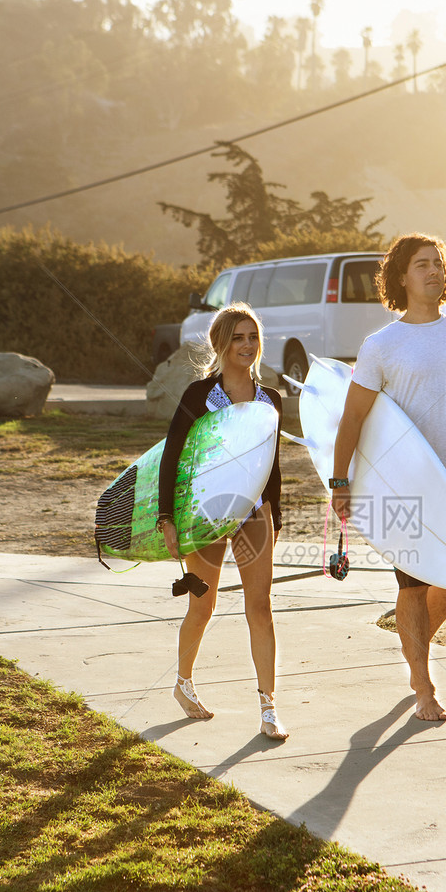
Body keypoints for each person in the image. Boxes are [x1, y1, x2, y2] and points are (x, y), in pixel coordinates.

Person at [330, 233, 446, 722]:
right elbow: (352, 418)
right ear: (401, 277)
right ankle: (422, 684)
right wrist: (340, 480)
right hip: (404, 480)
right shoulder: (381, 345)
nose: (434, 271)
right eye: (421, 265)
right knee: (414, 585)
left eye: (438, 263)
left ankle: (412, 644)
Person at [156, 302, 288, 740]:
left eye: (253, 337)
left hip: (252, 517)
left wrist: (276, 515)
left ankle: (269, 708)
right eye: (238, 338)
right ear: (221, 343)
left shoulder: (271, 400)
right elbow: (172, 456)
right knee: (204, 604)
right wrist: (167, 519)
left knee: (261, 608)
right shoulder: (199, 396)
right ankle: (184, 682)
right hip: (203, 517)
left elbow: (274, 465)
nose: (247, 345)